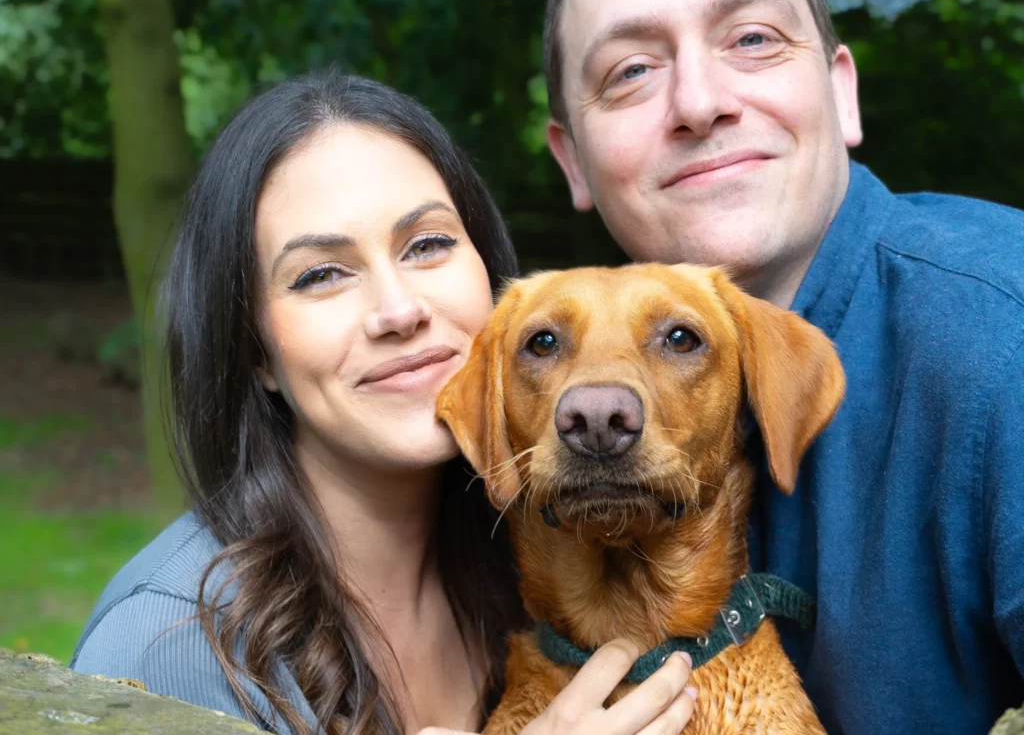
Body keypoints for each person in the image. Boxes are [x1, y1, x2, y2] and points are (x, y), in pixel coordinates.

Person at [541, 0, 1024, 735]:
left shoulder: (1006, 339)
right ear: (573, 159)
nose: (698, 101)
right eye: (631, 71)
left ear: (840, 92)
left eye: (753, 38)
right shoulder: (547, 430)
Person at [70, 71, 698, 735]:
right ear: (257, 354)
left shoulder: (552, 558)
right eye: (321, 275)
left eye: (427, 245)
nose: (398, 310)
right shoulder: (168, 649)